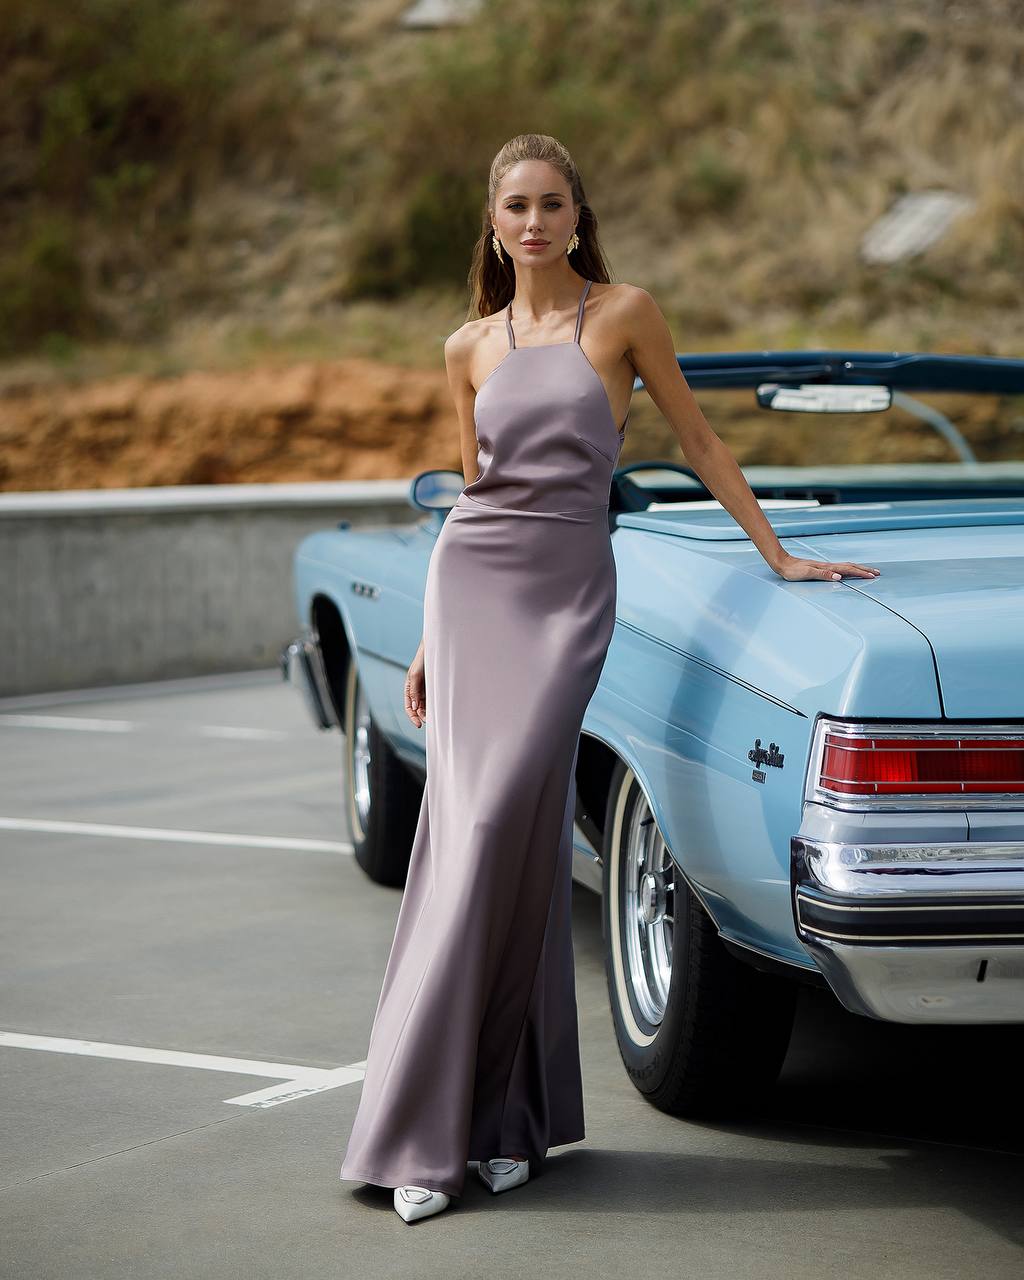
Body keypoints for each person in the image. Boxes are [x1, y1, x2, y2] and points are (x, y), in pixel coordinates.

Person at [338, 132, 880, 1224]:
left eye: (551, 204)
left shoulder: (624, 313)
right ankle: (475, 1126)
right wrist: (436, 643)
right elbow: (470, 497)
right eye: (516, 207)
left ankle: (475, 1117)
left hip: (568, 597)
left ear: (577, 217)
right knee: (488, 841)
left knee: (501, 834)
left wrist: (779, 555)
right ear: (493, 224)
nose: (534, 222)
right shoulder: (467, 346)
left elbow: (698, 442)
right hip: (476, 590)